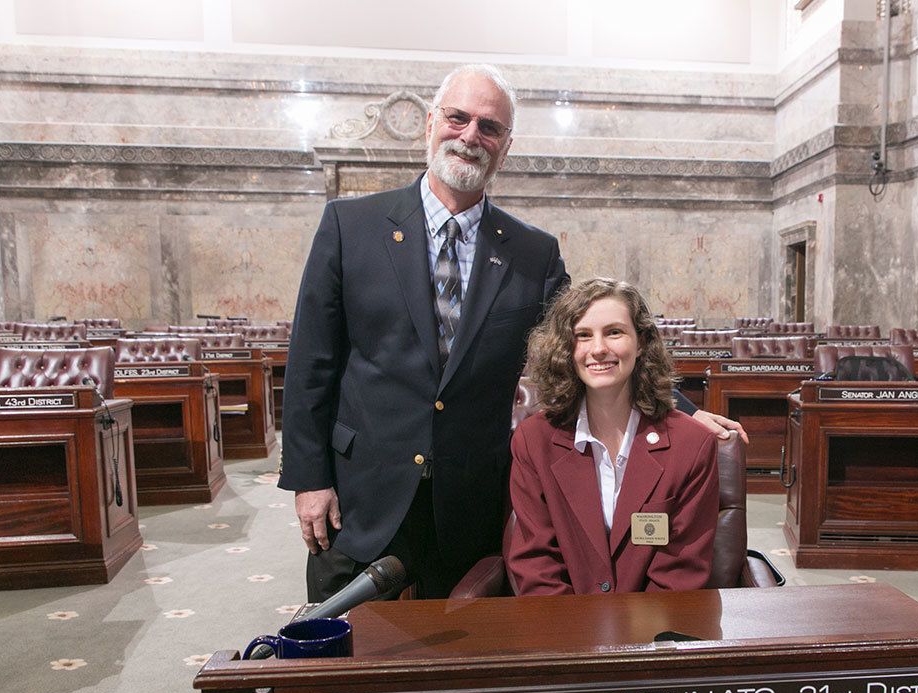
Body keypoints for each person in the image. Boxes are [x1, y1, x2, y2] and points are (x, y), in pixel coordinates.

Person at [281, 64, 743, 601]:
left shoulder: (531, 253)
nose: (471, 136)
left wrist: (680, 410)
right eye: (458, 118)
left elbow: (588, 341)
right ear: (432, 122)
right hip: (361, 497)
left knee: (467, 670)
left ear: (506, 145)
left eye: (490, 127)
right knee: (344, 666)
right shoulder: (349, 225)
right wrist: (309, 479)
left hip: (470, 502)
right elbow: (311, 361)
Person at [505, 278, 719, 595]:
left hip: (654, 636)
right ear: (566, 348)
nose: (599, 349)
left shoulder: (692, 444)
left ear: (642, 341)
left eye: (614, 332)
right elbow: (536, 565)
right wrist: (580, 640)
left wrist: (630, 643)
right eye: (582, 336)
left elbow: (679, 573)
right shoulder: (534, 441)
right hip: (563, 631)